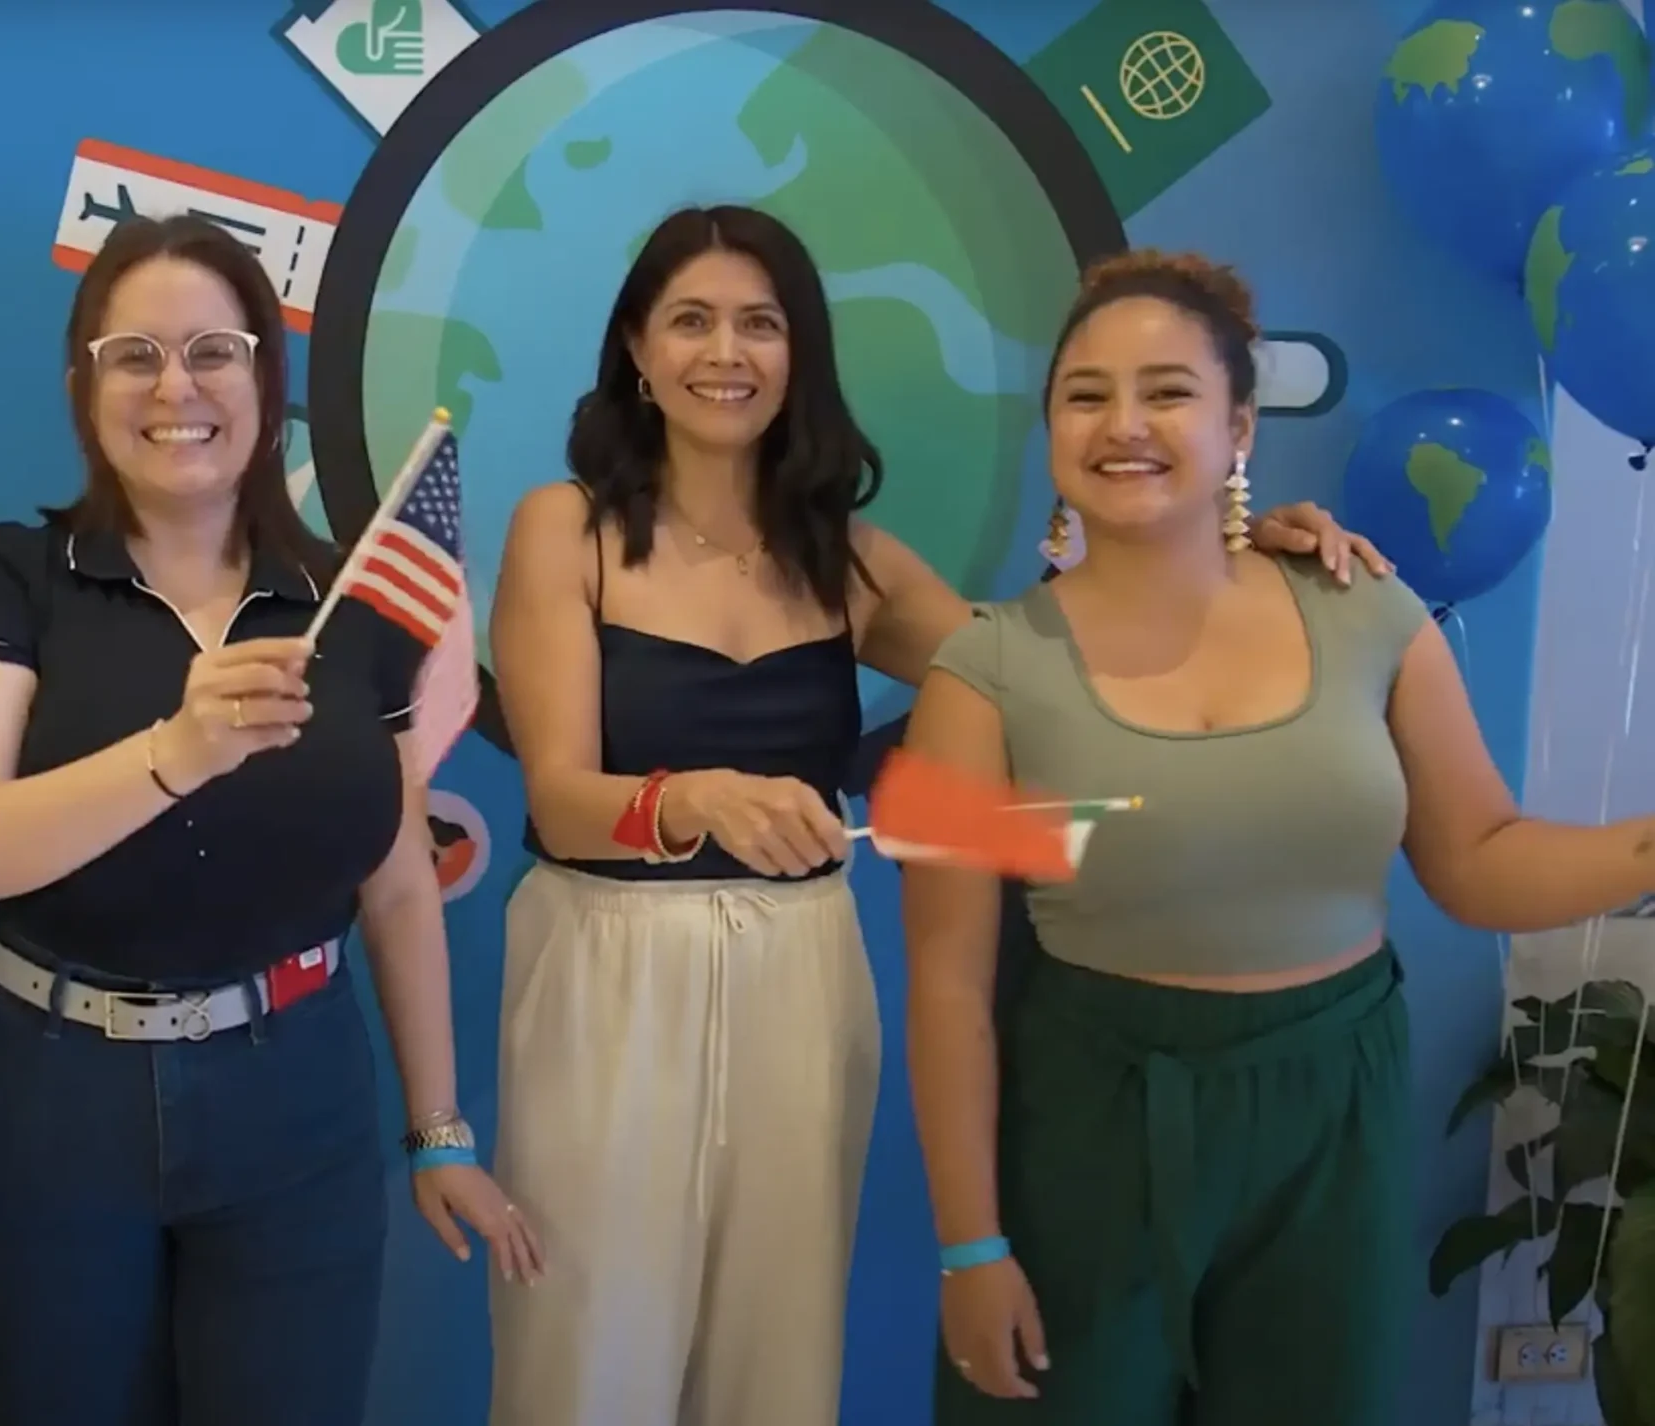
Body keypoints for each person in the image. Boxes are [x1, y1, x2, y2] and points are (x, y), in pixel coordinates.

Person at [485, 206, 1382, 1426]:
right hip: (608, 970)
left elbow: (1050, 669)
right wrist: (691, 799)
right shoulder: (565, 528)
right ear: (636, 350)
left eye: (761, 322)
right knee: (585, 1341)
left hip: (802, 972)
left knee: (778, 1342)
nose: (725, 352)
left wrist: (1229, 549)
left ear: (799, 352)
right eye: (690, 320)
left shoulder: (846, 557)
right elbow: (558, 797)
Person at [902, 249, 1655, 1426]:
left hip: (1332, 1111)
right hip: (1091, 1116)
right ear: (1048, 426)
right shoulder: (980, 673)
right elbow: (947, 983)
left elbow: (1479, 857)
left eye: (1168, 391)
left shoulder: (1370, 613)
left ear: (1238, 423)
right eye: (1085, 395)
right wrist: (969, 1247)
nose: (1124, 424)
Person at [0, 212, 543, 1426]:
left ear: (264, 377)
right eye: (132, 353)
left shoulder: (346, 600)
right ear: (84, 385)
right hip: (47, 1098)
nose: (175, 385)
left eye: (214, 349)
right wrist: (174, 752)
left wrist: (440, 1129)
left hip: (290, 1095)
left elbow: (398, 878)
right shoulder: (9, 573)